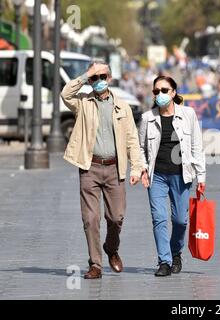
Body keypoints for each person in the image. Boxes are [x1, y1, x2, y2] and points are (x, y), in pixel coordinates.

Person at [61, 60, 142, 279]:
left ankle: (111, 249)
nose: (98, 81)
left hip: (115, 169)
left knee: (116, 217)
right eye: (95, 78)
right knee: (91, 218)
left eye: (102, 77)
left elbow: (132, 139)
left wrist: (137, 167)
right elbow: (65, 94)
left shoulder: (122, 105)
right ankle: (95, 264)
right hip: (90, 167)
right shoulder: (83, 102)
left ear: (110, 78)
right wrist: (85, 76)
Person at [139, 75, 206, 277]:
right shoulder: (147, 118)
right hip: (156, 176)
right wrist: (142, 168)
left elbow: (197, 146)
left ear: (174, 92)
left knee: (180, 220)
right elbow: (140, 148)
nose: (160, 94)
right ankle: (164, 262)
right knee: (159, 218)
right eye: (156, 91)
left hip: (181, 175)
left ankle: (176, 252)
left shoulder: (188, 114)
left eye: (164, 90)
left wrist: (201, 178)